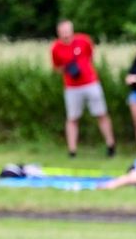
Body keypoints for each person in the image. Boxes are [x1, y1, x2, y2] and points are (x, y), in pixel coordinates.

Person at [49, 20, 116, 158]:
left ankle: (110, 145)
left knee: (101, 113)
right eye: (63, 32)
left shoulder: (84, 40)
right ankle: (72, 150)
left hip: (90, 83)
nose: (66, 34)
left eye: (68, 31)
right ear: (59, 33)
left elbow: (91, 56)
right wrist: (67, 68)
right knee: (72, 118)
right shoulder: (56, 48)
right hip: (72, 87)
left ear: (72, 30)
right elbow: (56, 67)